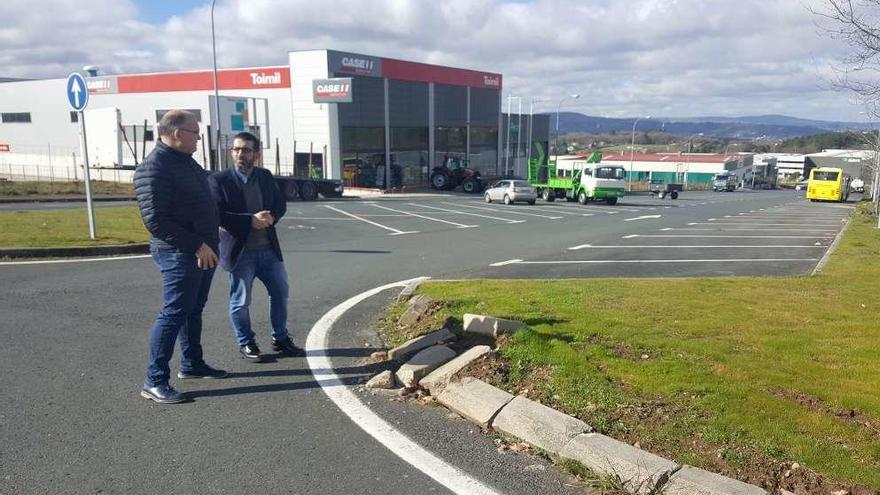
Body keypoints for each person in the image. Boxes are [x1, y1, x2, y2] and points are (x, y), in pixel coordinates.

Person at [134, 110, 228, 405]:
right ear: (177, 133)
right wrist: (197, 244)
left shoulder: (186, 162)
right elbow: (155, 220)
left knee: (193, 309)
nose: (199, 139)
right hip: (180, 252)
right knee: (174, 313)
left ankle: (192, 364)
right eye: (195, 134)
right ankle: (154, 381)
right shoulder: (155, 168)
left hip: (204, 249)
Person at [209, 131, 303, 362]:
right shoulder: (219, 180)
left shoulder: (264, 176)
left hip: (268, 250)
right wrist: (250, 220)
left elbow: (279, 204)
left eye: (246, 150)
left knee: (280, 293)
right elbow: (216, 215)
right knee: (241, 301)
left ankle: (280, 339)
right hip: (241, 253)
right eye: (237, 149)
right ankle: (246, 343)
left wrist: (272, 217)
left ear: (256, 154)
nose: (241, 154)